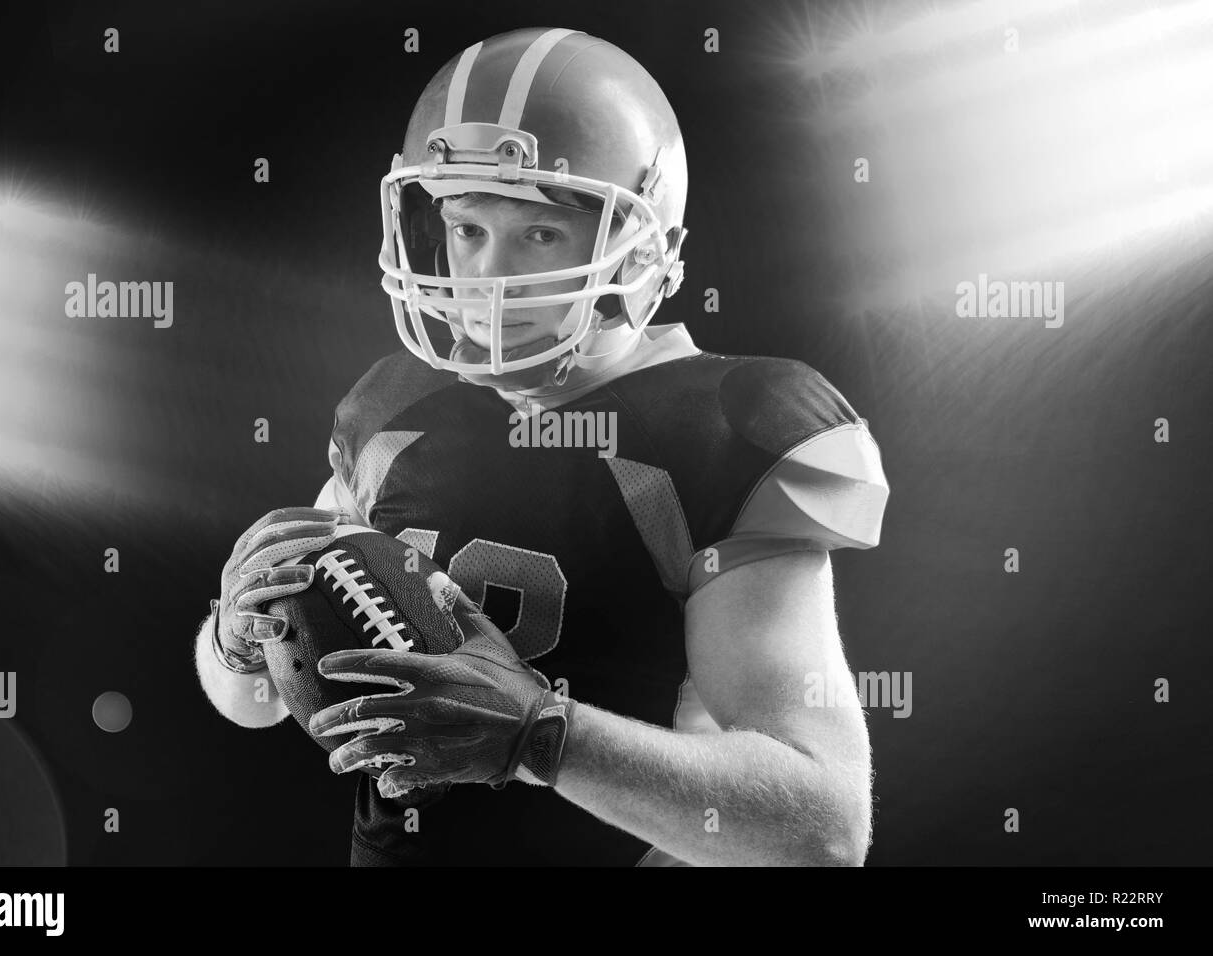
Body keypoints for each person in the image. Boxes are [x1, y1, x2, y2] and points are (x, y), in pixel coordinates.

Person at [195, 27, 889, 866]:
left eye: (541, 235)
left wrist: (541, 737)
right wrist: (236, 638)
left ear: (647, 246)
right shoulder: (397, 404)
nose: (490, 277)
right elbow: (258, 703)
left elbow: (822, 826)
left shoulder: (726, 425)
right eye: (469, 228)